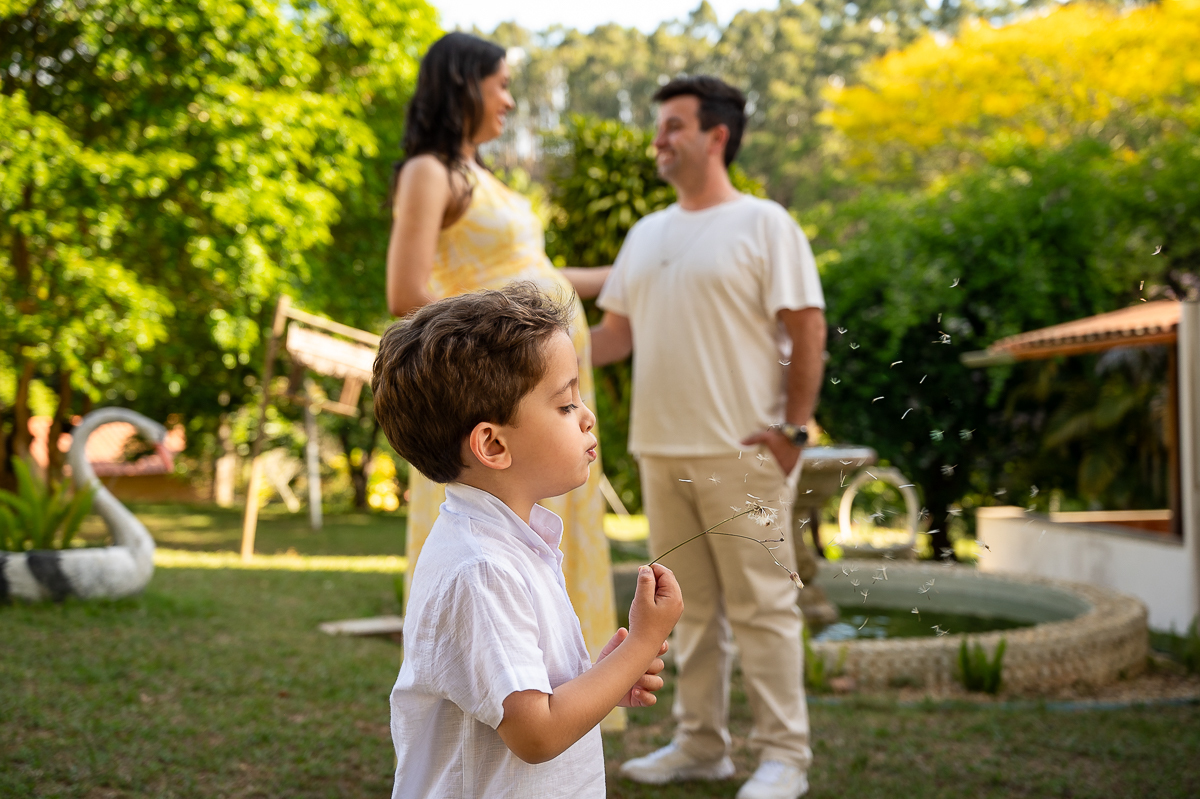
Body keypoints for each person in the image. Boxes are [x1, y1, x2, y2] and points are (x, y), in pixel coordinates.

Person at [591, 76, 827, 799]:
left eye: (673, 126)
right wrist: (524, 352)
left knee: (763, 608)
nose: (659, 140)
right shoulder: (646, 233)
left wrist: (793, 428)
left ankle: (784, 756)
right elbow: (613, 338)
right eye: (659, 126)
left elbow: (807, 325)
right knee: (681, 612)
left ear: (716, 135)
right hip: (658, 448)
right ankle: (700, 745)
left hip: (742, 453)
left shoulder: (765, 223)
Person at [372, 286, 682, 798]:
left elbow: (527, 695)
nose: (588, 416)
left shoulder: (509, 541)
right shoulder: (482, 569)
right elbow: (535, 733)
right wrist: (642, 644)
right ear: (493, 444)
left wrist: (604, 679)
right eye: (564, 404)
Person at [384, 33, 620, 694]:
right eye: (502, 85)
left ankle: (564, 699)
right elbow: (405, 293)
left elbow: (539, 273)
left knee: (545, 551)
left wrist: (629, 272)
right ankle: (509, 703)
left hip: (541, 402)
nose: (510, 100)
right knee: (492, 554)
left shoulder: (487, 178)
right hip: (497, 402)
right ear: (465, 84)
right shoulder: (430, 172)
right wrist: (504, 357)